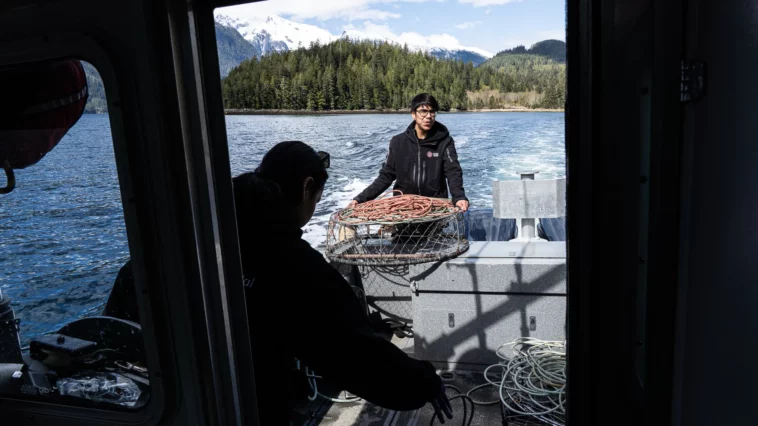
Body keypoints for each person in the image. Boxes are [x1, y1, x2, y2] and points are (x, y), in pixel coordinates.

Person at [232, 141, 453, 425]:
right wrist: (424, 381)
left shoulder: (217, 233)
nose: (314, 207)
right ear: (306, 187)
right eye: (317, 199)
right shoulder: (298, 266)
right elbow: (356, 355)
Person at [349, 93, 469, 211]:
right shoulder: (397, 142)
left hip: (435, 207)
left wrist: (459, 197)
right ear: (413, 114)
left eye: (432, 112)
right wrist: (360, 199)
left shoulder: (445, 141)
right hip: (403, 207)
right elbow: (386, 176)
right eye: (423, 111)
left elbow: (453, 171)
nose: (428, 116)